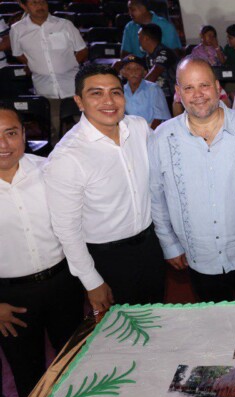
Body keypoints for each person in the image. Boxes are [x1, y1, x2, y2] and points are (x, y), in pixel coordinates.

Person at [44, 64, 166, 312]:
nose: (108, 101)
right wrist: (91, 281)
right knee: (122, 337)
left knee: (159, 319)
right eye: (96, 93)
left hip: (150, 247)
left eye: (115, 92)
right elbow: (67, 230)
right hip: (107, 259)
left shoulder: (139, 127)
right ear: (79, 101)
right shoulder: (67, 157)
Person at [149, 58, 235, 302]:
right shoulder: (162, 138)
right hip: (198, 257)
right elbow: (156, 196)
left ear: (217, 88)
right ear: (177, 93)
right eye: (189, 88)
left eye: (204, 85)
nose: (198, 95)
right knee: (215, 327)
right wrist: (169, 244)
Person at [0, 103, 84, 397]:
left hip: (63, 284)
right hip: (11, 299)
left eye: (10, 133)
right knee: (28, 376)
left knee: (75, 364)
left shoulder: (48, 169)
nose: (3, 144)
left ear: (24, 133)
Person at [10, 0, 87, 143]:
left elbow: (82, 50)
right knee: (54, 135)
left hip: (73, 87)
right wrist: (35, 65)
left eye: (42, 2)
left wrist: (69, 65)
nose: (40, 6)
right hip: (45, 90)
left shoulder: (64, 25)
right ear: (23, 6)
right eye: (34, 3)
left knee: (85, 131)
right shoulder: (17, 29)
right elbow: (18, 53)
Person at [119, 55, 171, 129]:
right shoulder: (121, 91)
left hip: (153, 129)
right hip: (129, 130)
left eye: (137, 68)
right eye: (128, 69)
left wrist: (148, 134)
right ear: (123, 73)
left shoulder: (153, 89)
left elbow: (159, 117)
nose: (133, 72)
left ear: (144, 72)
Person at [139, 23, 179, 98]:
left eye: (139, 36)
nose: (138, 39)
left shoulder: (165, 53)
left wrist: (137, 91)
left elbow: (153, 75)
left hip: (172, 98)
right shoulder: (148, 55)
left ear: (146, 38)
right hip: (157, 97)